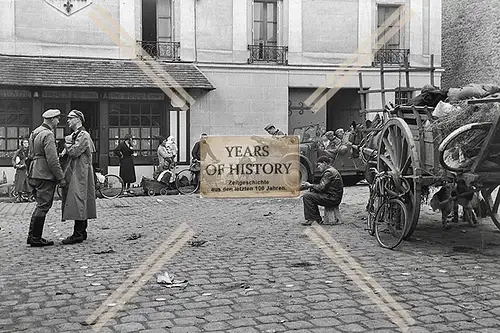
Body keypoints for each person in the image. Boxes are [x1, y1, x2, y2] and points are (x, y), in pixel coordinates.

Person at [27, 109, 67, 247]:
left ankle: (32, 236)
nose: (58, 121)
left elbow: (30, 154)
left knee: (40, 204)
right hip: (44, 174)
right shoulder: (48, 134)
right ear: (51, 120)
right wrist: (61, 177)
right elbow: (52, 160)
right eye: (57, 119)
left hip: (34, 171)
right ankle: (35, 238)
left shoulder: (35, 132)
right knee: (43, 205)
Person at [59, 109, 97, 244]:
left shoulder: (82, 135)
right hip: (78, 171)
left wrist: (67, 142)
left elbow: (74, 152)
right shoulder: (78, 134)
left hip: (81, 172)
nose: (68, 120)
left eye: (70, 118)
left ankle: (78, 234)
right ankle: (82, 231)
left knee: (78, 199)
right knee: (81, 199)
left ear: (78, 119)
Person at [300, 156, 343, 226]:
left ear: (324, 163)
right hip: (333, 196)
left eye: (319, 165)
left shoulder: (329, 173)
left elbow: (321, 188)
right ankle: (315, 218)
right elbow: (323, 187)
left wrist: (310, 185)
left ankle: (313, 219)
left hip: (332, 199)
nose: (318, 167)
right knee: (311, 193)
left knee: (307, 196)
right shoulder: (332, 170)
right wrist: (312, 188)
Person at [11, 138, 31, 202]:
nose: (26, 144)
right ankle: (19, 197)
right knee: (20, 184)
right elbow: (13, 159)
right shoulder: (19, 151)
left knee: (28, 183)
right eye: (24, 143)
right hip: (21, 169)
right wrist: (16, 165)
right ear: (22, 144)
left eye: (27, 143)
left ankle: (29, 197)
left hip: (28, 169)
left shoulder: (30, 151)